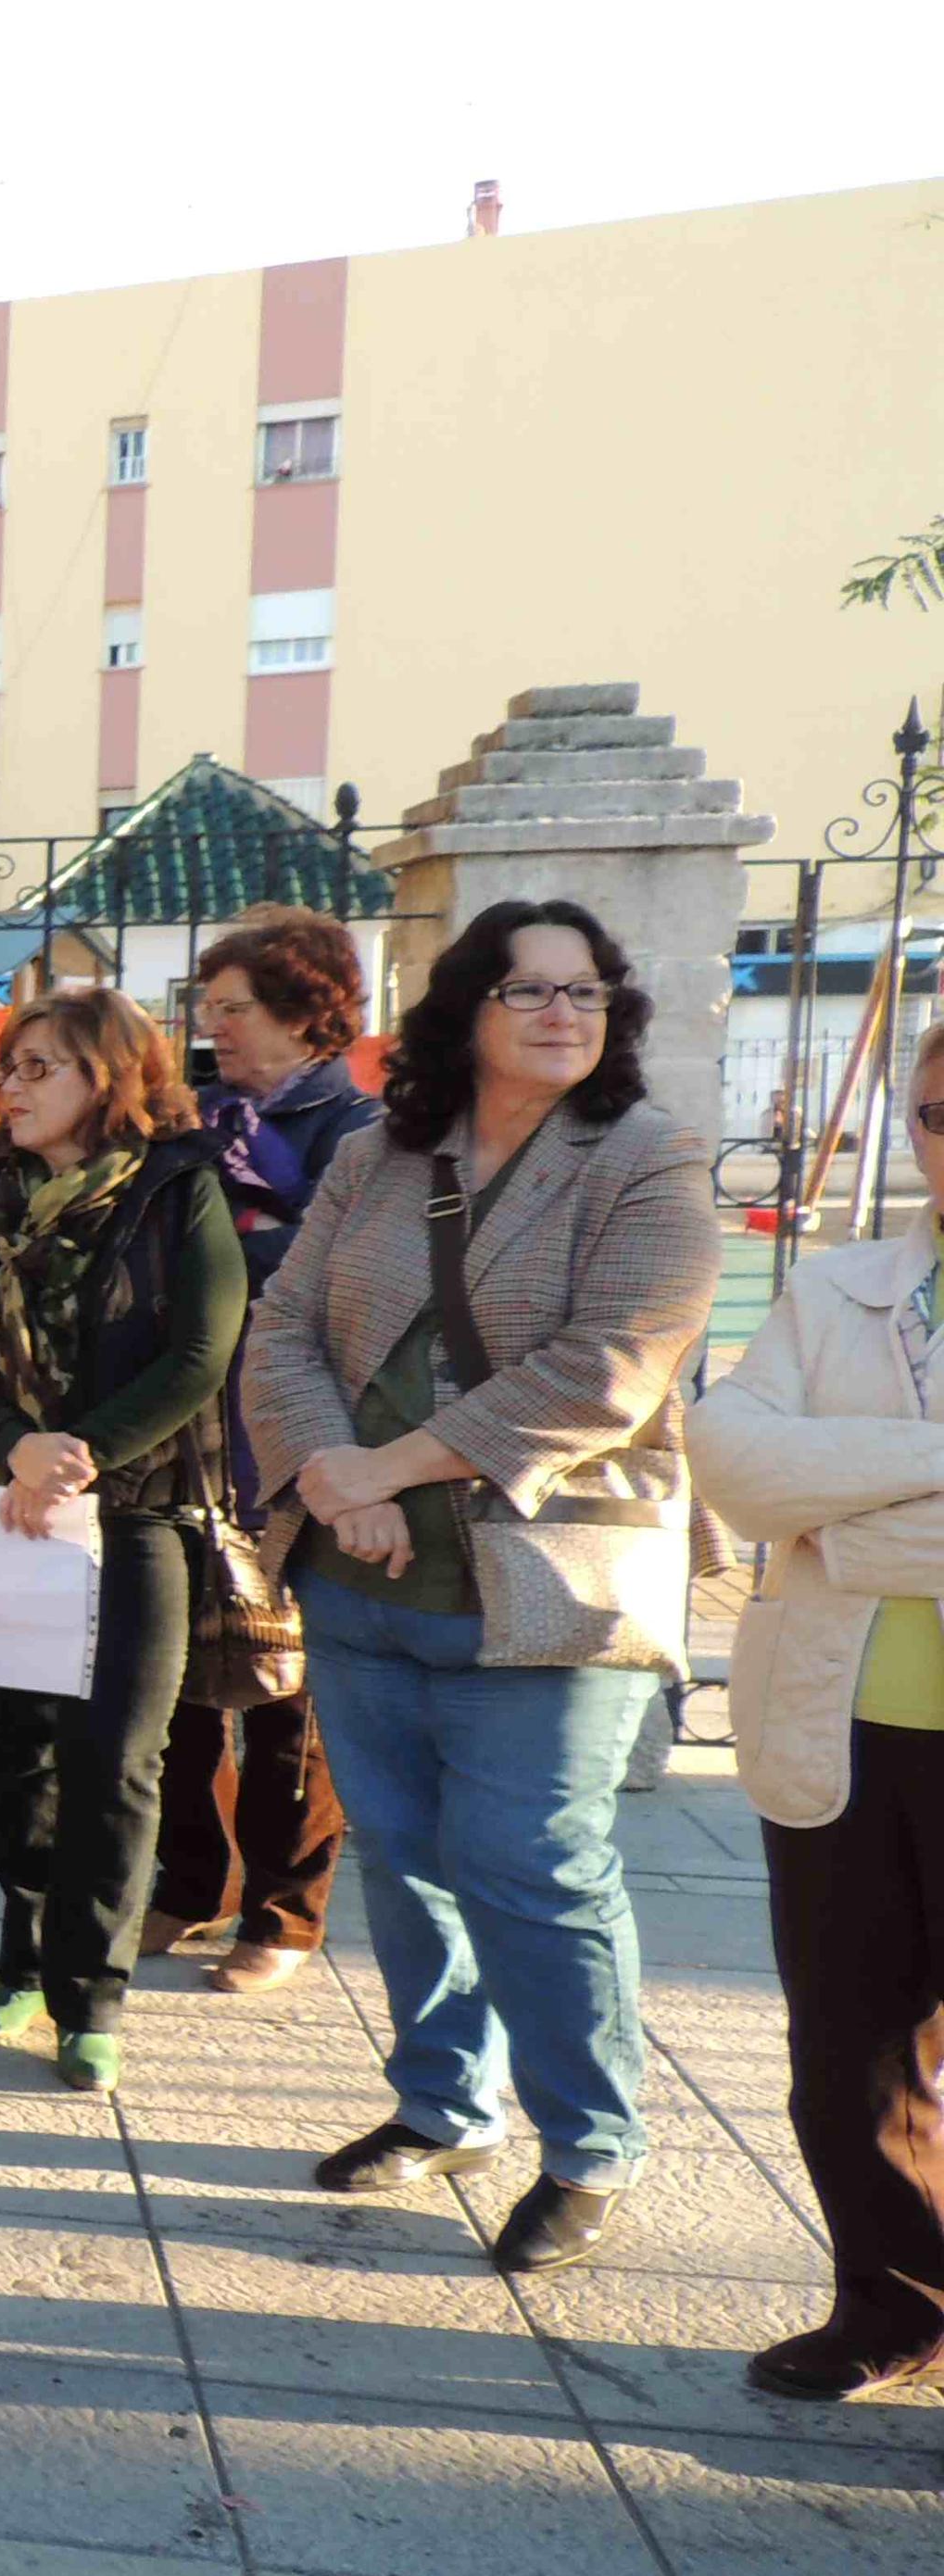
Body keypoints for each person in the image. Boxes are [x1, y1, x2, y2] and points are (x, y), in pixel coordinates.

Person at [244, 898, 717, 2276]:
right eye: (530, 990)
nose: (564, 1012)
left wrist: (385, 1466)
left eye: (587, 991)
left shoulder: (648, 1162)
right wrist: (334, 1479)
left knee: (533, 1869)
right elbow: (282, 1328)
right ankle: (446, 2104)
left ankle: (590, 2145)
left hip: (549, 1585)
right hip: (364, 1580)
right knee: (403, 1860)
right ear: (466, 1010)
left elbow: (610, 1369)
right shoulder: (383, 1156)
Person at [0, 986, 245, 2097]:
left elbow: (200, 1352)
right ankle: (20, 1965)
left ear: (109, 1077)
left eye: (38, 1066)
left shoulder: (177, 1186)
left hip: (133, 1506)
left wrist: (80, 1452)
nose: (9, 1086)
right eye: (8, 1066)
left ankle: (90, 1995)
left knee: (117, 1757)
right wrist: (14, 1445)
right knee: (21, 1750)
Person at [694, 1017, 944, 2397]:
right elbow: (736, 1466)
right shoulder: (837, 1287)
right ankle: (894, 2306)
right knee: (847, 2048)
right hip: (842, 1722)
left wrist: (846, 1506)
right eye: (936, 1115)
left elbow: (802, 1488)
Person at [147, 908, 391, 1993]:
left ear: (305, 1012)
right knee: (181, 1676)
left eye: (233, 1008)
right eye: (207, 1009)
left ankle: (285, 1912)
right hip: (185, 1434)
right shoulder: (194, 1121)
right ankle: (189, 1883)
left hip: (295, 1438)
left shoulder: (363, 1130)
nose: (214, 1028)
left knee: (288, 1689)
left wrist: (225, 1251)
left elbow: (339, 1270)